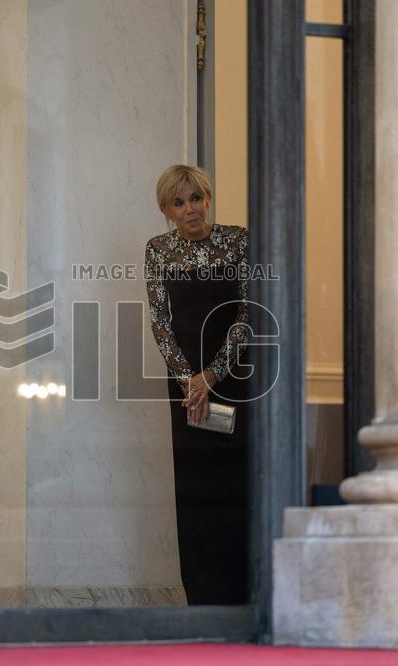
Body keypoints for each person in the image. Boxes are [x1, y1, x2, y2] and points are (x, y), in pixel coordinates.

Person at [144, 165, 250, 605]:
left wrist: (212, 374)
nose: (190, 209)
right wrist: (189, 379)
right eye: (179, 202)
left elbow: (248, 316)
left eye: (196, 198)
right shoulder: (158, 250)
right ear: (168, 210)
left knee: (236, 486)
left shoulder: (239, 241)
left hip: (236, 381)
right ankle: (201, 600)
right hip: (185, 388)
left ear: (208, 198)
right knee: (194, 489)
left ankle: (244, 595)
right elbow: (160, 322)